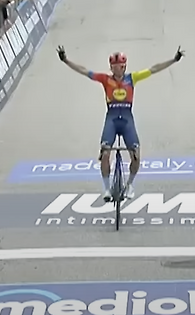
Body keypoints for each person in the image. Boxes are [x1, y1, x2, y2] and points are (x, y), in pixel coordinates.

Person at [57, 46, 184, 201]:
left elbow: (154, 69)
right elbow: (84, 71)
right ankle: (107, 189)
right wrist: (65, 60)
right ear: (111, 68)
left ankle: (129, 185)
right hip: (111, 120)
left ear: (125, 67)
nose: (119, 69)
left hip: (126, 120)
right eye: (115, 67)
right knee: (105, 154)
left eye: (121, 67)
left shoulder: (133, 78)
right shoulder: (105, 79)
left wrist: (174, 59)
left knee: (136, 155)